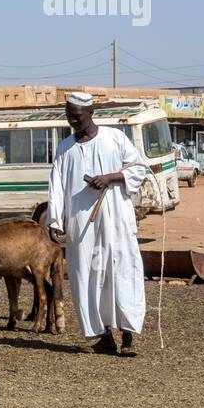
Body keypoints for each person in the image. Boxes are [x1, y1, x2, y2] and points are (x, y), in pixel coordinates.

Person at [47, 92, 146, 355]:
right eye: (69, 117)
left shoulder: (114, 138)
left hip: (115, 219)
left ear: (91, 113)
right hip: (81, 224)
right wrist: (55, 221)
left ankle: (127, 336)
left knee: (121, 271)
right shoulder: (65, 148)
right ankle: (102, 336)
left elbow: (138, 169)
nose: (73, 122)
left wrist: (111, 178)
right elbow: (56, 187)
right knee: (86, 276)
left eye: (77, 116)